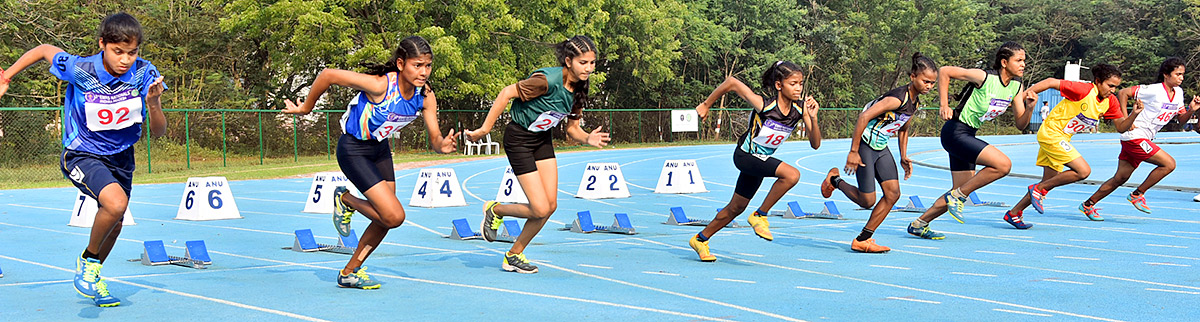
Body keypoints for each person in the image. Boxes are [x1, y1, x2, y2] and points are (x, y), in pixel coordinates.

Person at [0, 12, 166, 307]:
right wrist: (6, 75)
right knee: (116, 204)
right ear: (103, 44)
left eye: (132, 52)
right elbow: (42, 51)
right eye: (118, 52)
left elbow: (159, 131)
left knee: (115, 222)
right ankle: (88, 259)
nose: (125, 60)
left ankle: (92, 276)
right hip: (82, 153)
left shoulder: (144, 73)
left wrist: (153, 103)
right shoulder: (80, 68)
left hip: (122, 158)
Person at [283, 36, 458, 288]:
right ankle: (345, 199)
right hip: (353, 149)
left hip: (379, 149)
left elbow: (435, 139)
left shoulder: (425, 96)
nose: (423, 72)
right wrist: (306, 109)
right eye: (417, 65)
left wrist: (442, 146)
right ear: (401, 64)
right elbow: (328, 74)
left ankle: (349, 272)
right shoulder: (379, 85)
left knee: (385, 219)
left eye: (428, 66)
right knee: (394, 216)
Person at [466, 36, 609, 273]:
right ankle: (496, 209)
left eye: (592, 63)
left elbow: (573, 129)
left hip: (542, 140)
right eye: (584, 62)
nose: (589, 68)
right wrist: (485, 129)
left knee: (550, 206)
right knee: (539, 208)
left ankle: (514, 254)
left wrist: (587, 138)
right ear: (568, 61)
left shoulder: (580, 87)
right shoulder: (545, 81)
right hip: (519, 139)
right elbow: (505, 94)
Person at [688, 60, 822, 261]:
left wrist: (813, 117)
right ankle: (760, 215)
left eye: (801, 83)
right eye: (793, 83)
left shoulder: (801, 109)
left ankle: (701, 238)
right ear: (779, 85)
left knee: (736, 208)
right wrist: (706, 104)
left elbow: (815, 144)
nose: (798, 88)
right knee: (792, 175)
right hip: (745, 156)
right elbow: (732, 82)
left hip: (760, 161)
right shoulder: (765, 105)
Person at [905, 42, 1027, 238]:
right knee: (1003, 165)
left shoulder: (1016, 87)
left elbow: (1021, 124)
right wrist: (944, 105)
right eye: (1019, 60)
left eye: (1024, 61)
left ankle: (920, 223)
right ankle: (957, 197)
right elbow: (945, 71)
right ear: (1004, 62)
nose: (1023, 65)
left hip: (968, 135)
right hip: (955, 132)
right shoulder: (984, 77)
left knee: (961, 188)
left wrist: (1029, 108)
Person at [821, 53, 937, 252]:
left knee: (893, 195)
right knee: (867, 201)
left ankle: (863, 239)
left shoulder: (914, 102)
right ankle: (834, 181)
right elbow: (863, 116)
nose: (929, 86)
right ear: (912, 77)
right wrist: (854, 151)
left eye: (933, 83)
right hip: (865, 145)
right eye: (925, 81)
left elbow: (903, 128)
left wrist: (903, 156)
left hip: (881, 147)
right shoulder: (897, 98)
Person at [1005, 63, 1129, 228]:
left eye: (1116, 87)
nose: (1113, 90)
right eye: (1110, 85)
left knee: (1049, 181)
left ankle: (1014, 213)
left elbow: (1121, 126)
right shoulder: (1083, 90)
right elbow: (1050, 81)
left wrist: (1134, 114)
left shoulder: (1110, 101)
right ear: (1098, 81)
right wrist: (1020, 99)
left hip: (1062, 138)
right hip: (1051, 134)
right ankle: (1039, 188)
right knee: (1083, 171)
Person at [1079, 58, 1199, 220]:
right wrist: (1125, 119)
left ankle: (1088, 204)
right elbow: (1123, 93)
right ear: (1166, 75)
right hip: (1134, 137)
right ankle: (1138, 194)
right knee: (1169, 164)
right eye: (1177, 74)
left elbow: (1181, 121)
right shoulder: (1153, 90)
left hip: (1144, 138)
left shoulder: (1178, 93)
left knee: (1120, 178)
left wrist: (1191, 110)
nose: (1181, 78)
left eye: (1183, 75)